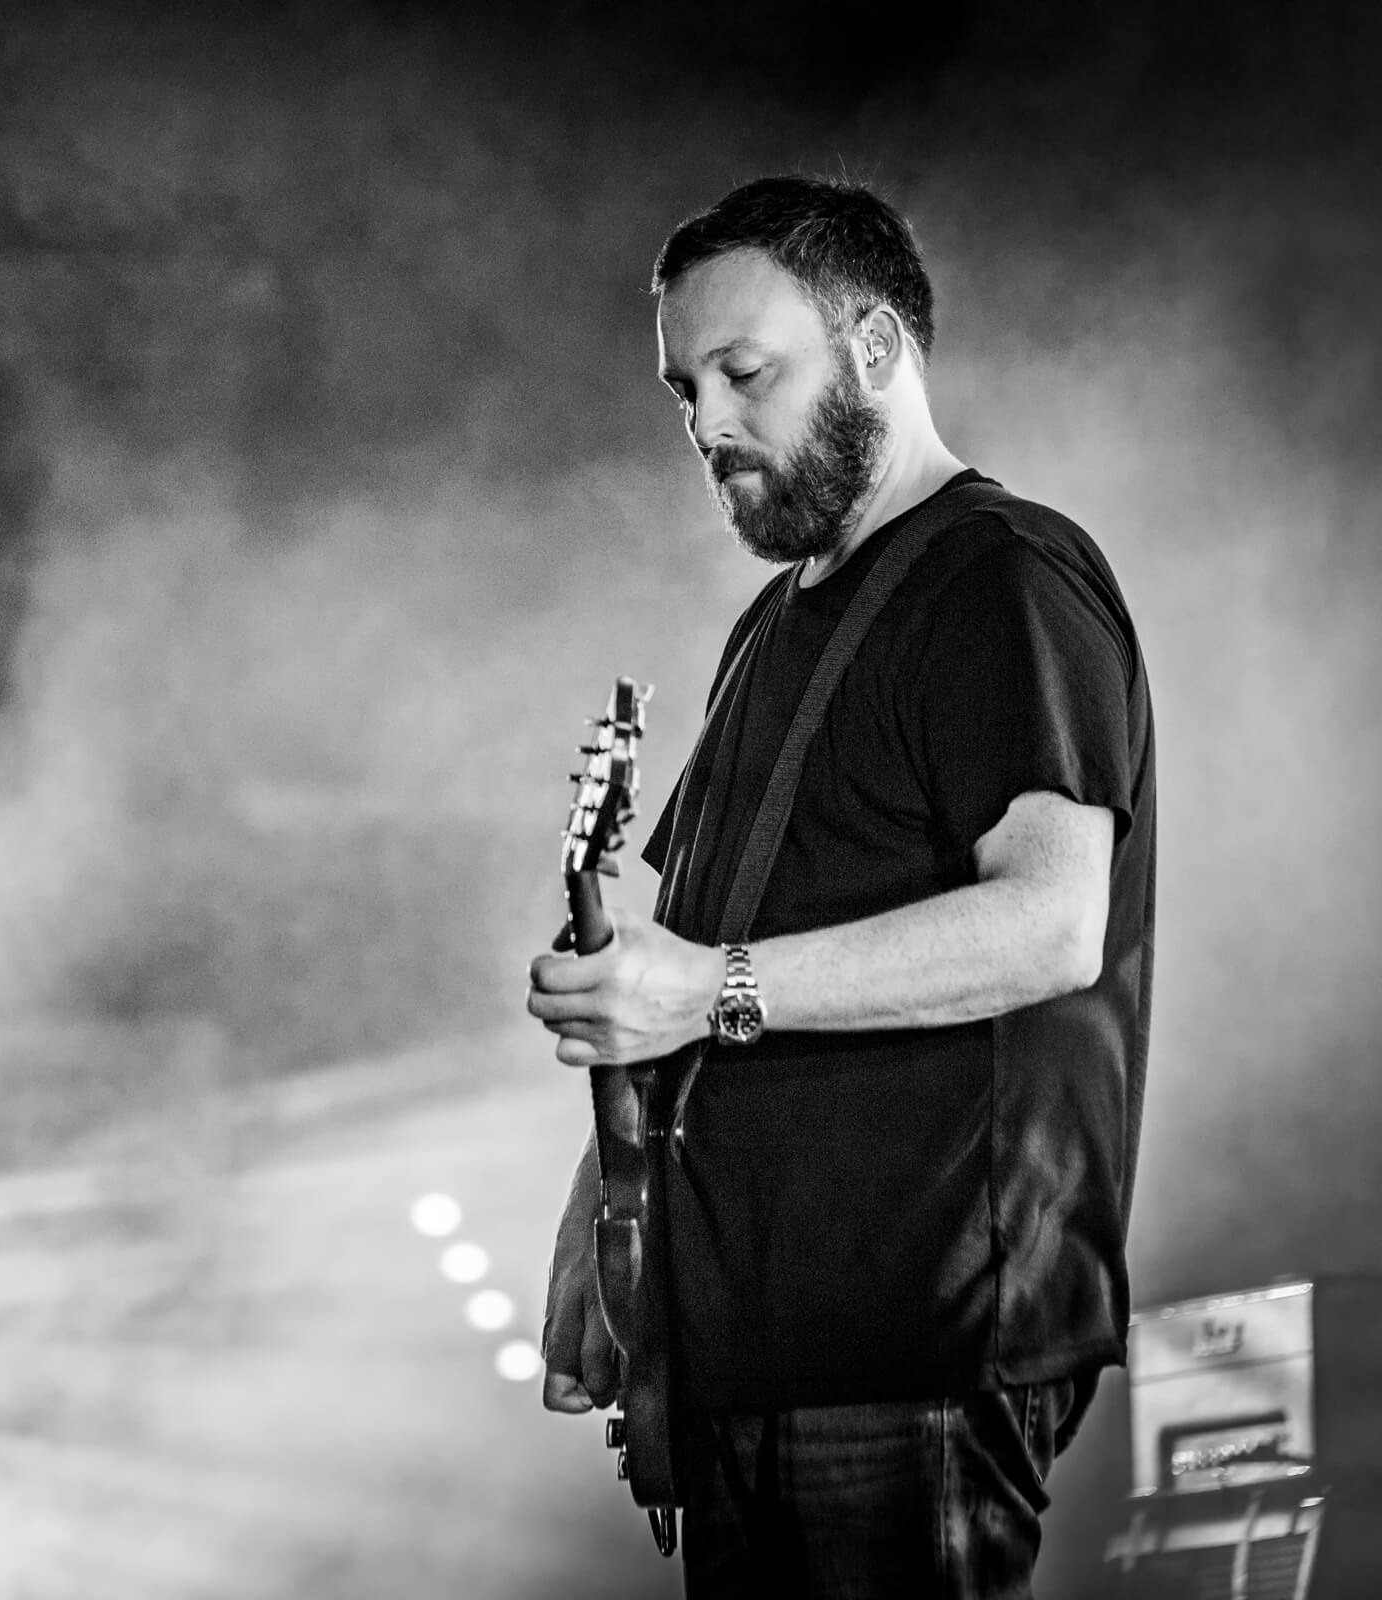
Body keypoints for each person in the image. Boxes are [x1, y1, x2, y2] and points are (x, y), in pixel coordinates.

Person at [525, 176, 1155, 1596]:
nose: (709, 424)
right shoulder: (769, 628)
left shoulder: (1003, 575)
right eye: (685, 391)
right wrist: (609, 1212)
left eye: (746, 373)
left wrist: (711, 988)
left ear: (874, 348)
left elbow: (1051, 923)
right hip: (747, 1339)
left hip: (913, 1330)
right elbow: (684, 974)